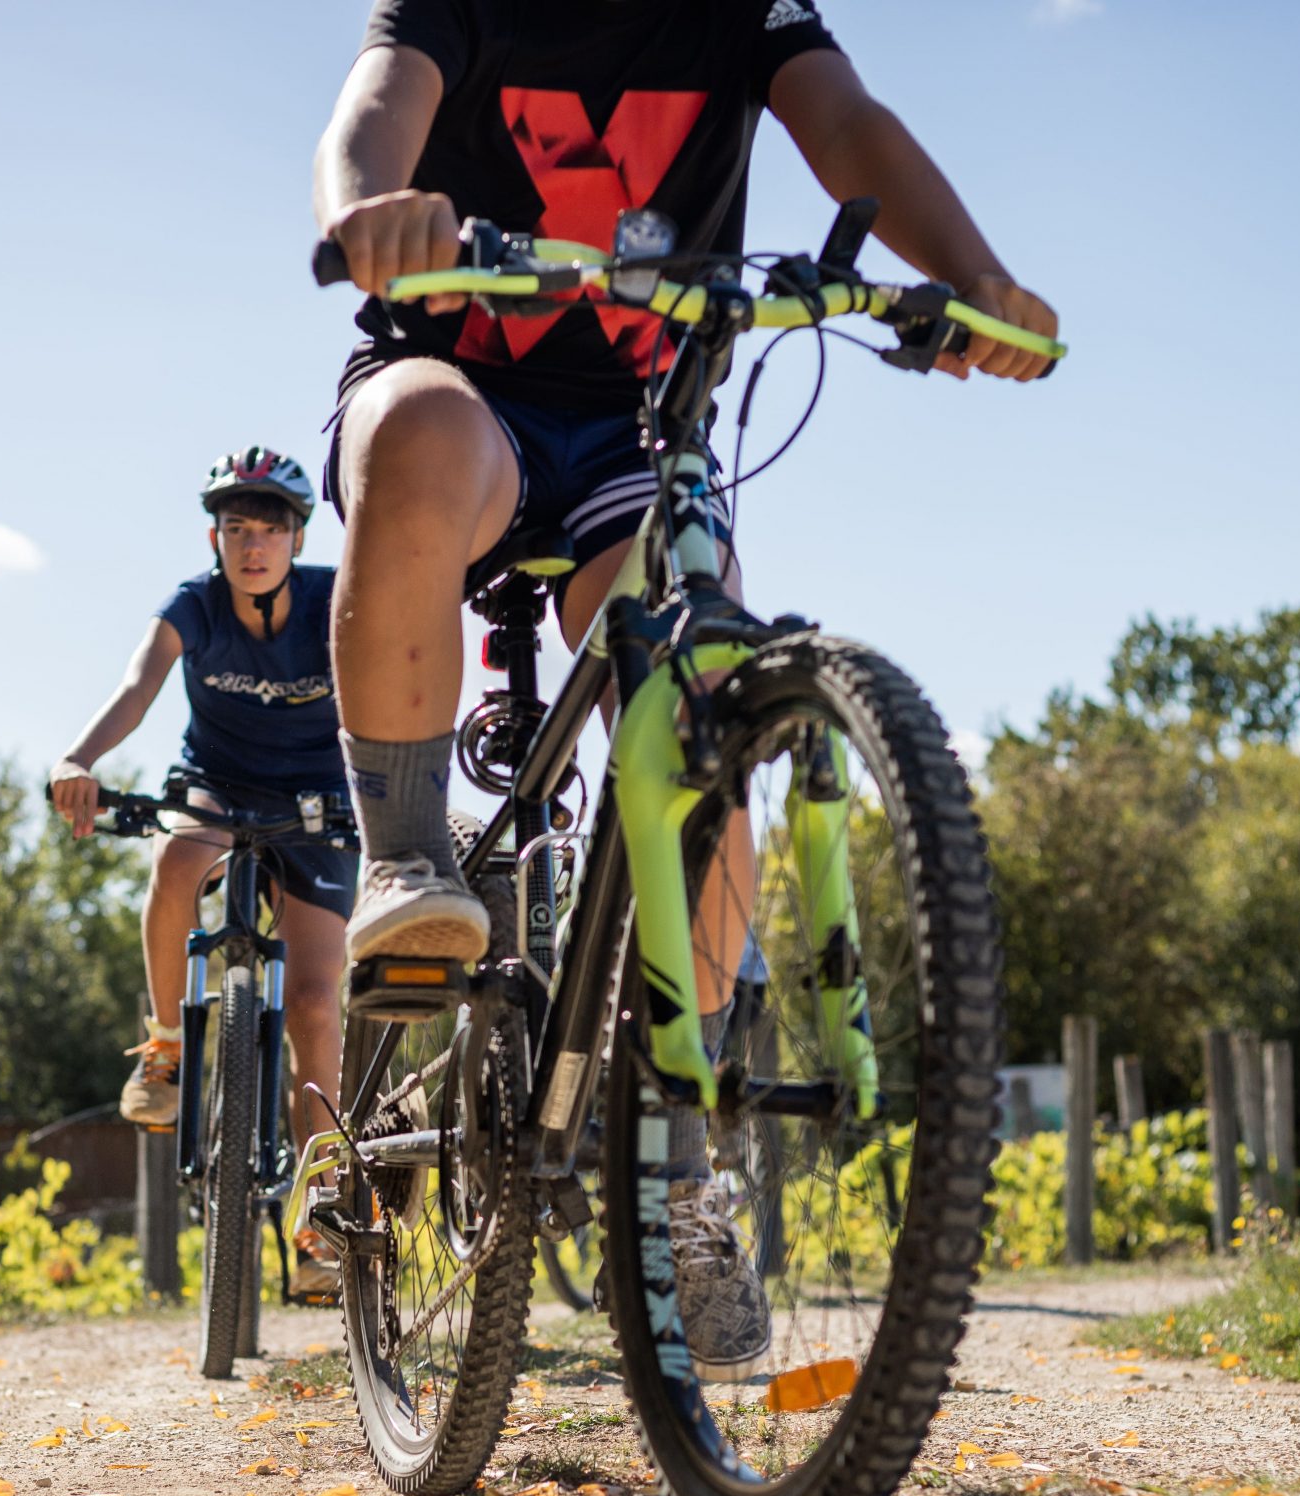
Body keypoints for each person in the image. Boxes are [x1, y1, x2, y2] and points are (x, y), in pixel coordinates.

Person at [311, 1, 1059, 1372]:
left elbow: (849, 130)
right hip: (453, 374)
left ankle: (675, 1172)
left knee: (702, 699)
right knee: (415, 433)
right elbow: (374, 109)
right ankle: (408, 861)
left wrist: (975, 279)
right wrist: (373, 208)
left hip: (640, 425)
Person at [49, 448, 352, 1303]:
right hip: (215, 786)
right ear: (214, 535)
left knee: (318, 1003)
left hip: (317, 799)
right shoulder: (195, 604)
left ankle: (322, 1212)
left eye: (269, 529)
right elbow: (139, 686)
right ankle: (169, 1051)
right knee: (179, 855)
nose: (252, 544)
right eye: (235, 528)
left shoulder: (334, 600)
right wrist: (81, 754)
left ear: (298, 535)